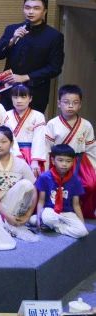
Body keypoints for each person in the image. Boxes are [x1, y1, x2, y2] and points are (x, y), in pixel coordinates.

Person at [0, 0, 65, 112]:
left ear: (44, 11)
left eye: (36, 8)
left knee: (33, 122)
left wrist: (25, 77)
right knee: (6, 121)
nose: (31, 12)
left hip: (36, 91)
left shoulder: (54, 36)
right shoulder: (12, 29)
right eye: (27, 7)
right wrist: (12, 40)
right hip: (9, 89)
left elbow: (55, 68)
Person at [45, 85, 96, 218]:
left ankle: (82, 211)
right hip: (58, 161)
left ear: (80, 105)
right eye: (66, 102)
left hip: (80, 162)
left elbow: (91, 149)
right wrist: (47, 166)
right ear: (59, 103)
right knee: (57, 186)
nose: (70, 106)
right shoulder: (52, 123)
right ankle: (58, 210)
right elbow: (47, 148)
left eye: (75, 103)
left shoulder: (86, 125)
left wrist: (93, 168)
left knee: (90, 184)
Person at [36, 144, 88, 239]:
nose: (64, 164)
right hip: (51, 210)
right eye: (60, 160)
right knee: (48, 218)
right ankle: (44, 221)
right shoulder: (44, 177)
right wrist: (38, 218)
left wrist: (82, 223)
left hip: (67, 212)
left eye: (68, 161)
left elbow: (76, 205)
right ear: (53, 160)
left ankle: (56, 227)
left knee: (82, 232)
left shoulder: (75, 180)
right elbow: (41, 201)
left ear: (73, 162)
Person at [2, 84, 47, 174]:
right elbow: (7, 138)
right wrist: (17, 156)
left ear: (30, 98)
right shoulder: (5, 115)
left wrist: (35, 161)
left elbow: (39, 139)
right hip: (11, 152)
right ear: (11, 98)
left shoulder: (38, 116)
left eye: (23, 97)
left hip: (31, 154)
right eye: (15, 97)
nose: (19, 101)